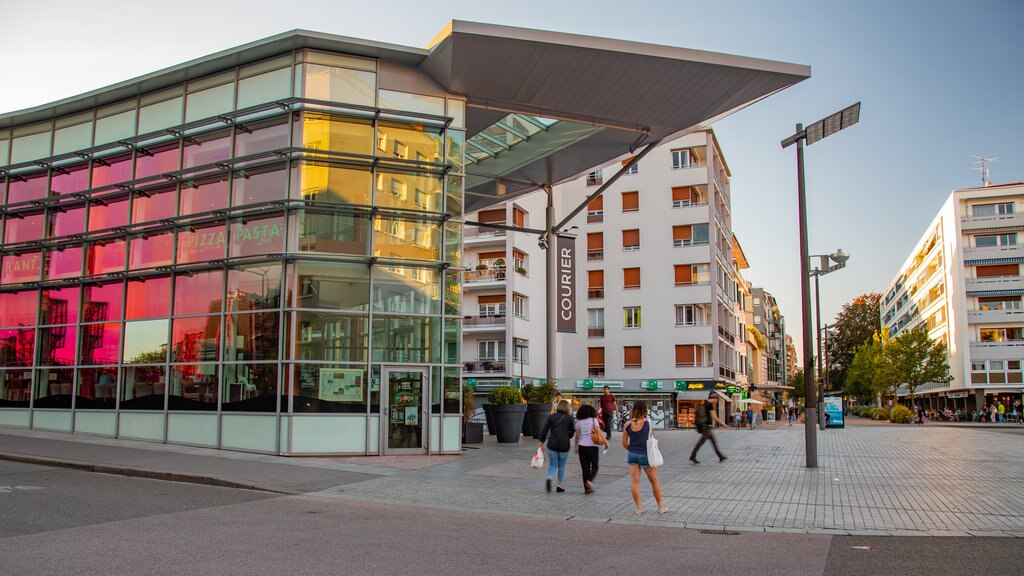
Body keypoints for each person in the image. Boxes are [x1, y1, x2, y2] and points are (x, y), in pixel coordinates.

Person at [621, 400, 667, 514]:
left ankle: (639, 508)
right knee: (654, 481)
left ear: (634, 410)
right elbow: (651, 438)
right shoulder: (648, 422)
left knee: (635, 482)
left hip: (632, 455)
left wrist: (631, 449)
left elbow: (624, 443)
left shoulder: (627, 425)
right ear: (645, 410)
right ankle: (661, 507)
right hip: (645, 454)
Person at [539, 399, 576, 493]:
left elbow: (544, 430)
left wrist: (542, 442)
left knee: (552, 465)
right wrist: (567, 436)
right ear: (567, 407)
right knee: (562, 465)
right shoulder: (570, 418)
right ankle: (559, 485)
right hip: (564, 445)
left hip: (552, 444)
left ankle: (550, 478)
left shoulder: (551, 417)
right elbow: (572, 431)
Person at [574, 404, 608, 494]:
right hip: (592, 446)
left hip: (582, 447)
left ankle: (587, 489)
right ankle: (589, 480)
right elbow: (599, 432)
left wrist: (576, 446)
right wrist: (605, 442)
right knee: (595, 466)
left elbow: (577, 436)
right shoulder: (594, 420)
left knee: (585, 468)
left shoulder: (579, 422)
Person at [690, 398, 727, 464]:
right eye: (716, 400)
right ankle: (692, 456)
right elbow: (714, 416)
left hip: (705, 426)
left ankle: (720, 456)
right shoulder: (710, 405)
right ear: (714, 398)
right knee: (701, 442)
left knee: (713, 441)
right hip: (706, 428)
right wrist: (722, 423)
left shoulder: (704, 403)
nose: (716, 401)